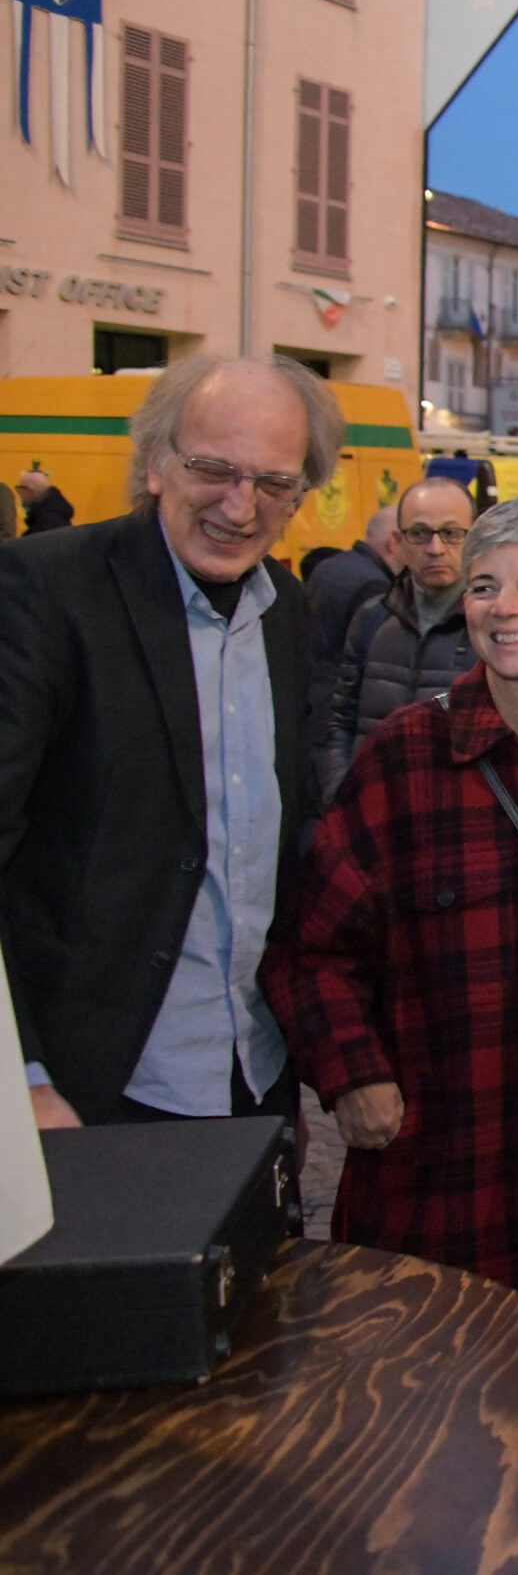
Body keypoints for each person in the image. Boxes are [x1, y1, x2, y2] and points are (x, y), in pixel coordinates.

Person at [261, 500, 518, 1352]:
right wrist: (353, 1074)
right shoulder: (404, 755)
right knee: (426, 1407)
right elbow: (310, 948)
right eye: (486, 586)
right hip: (446, 1161)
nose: (505, 607)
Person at [0, 357, 337, 1147]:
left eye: (273, 482)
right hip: (86, 1091)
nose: (240, 506)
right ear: (155, 463)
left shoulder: (287, 610)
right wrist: (24, 1074)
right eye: (213, 470)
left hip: (253, 1076)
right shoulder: (45, 589)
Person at [322, 478, 478, 796]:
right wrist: (341, 795)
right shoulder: (373, 617)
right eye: (420, 533)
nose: (435, 548)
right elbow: (340, 719)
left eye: (451, 533)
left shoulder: (494, 626)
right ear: (399, 541)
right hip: (370, 808)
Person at [303, 506, 404, 741]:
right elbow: (376, 663)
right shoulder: (374, 587)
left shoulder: (330, 565)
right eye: (414, 537)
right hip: (339, 712)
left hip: (312, 703)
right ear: (394, 541)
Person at [17, 467, 74, 536]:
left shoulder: (48, 520)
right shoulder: (50, 514)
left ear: (31, 490)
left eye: (20, 490)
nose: (19, 494)